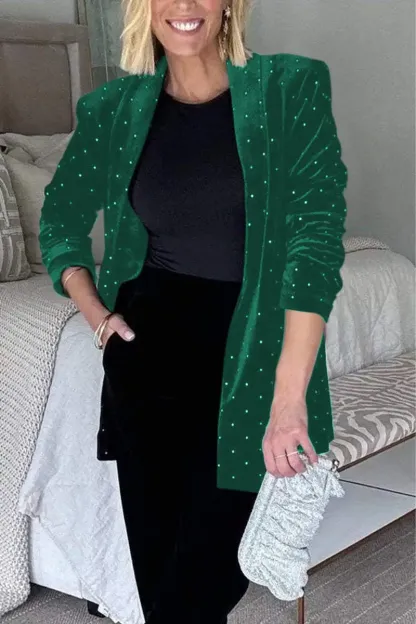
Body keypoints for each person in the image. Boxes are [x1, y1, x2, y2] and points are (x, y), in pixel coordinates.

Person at [39, 0, 348, 622]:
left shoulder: (291, 86)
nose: (183, 6)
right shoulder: (112, 109)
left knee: (203, 579)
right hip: (147, 360)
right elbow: (60, 220)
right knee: (162, 583)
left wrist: (289, 399)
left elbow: (315, 240)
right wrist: (96, 315)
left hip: (250, 356)